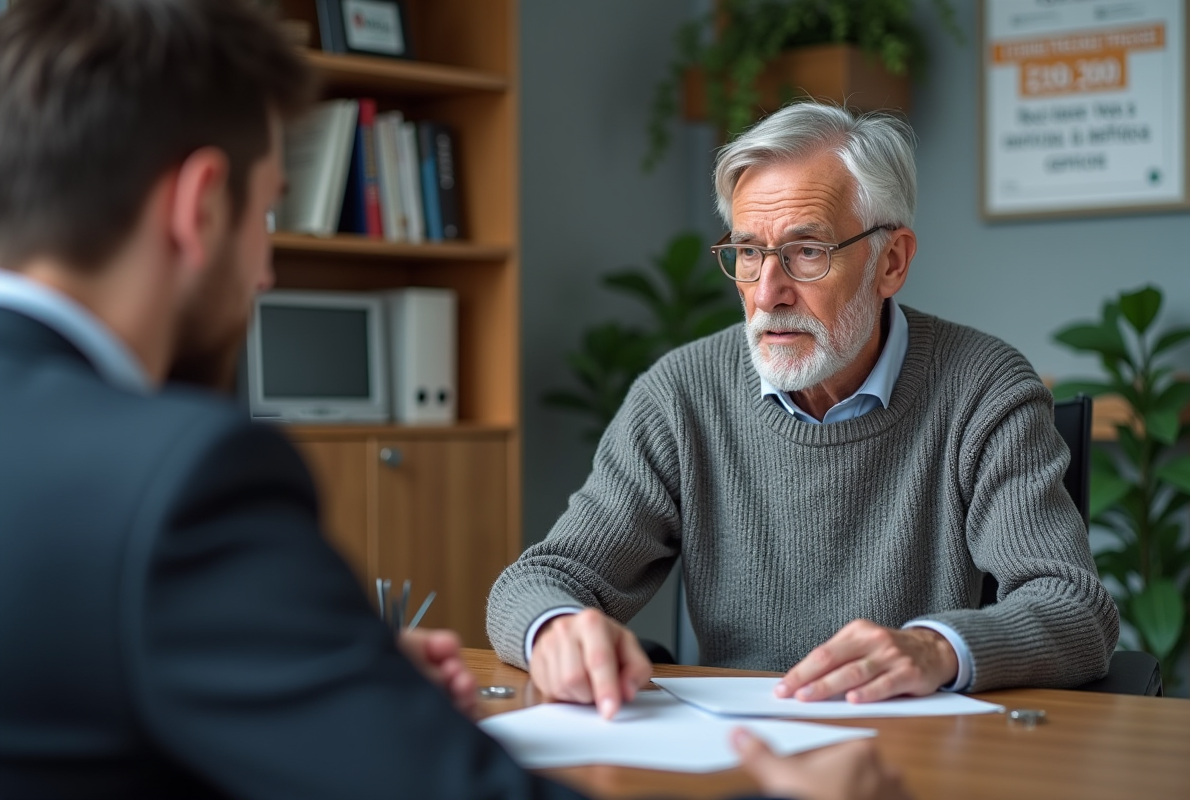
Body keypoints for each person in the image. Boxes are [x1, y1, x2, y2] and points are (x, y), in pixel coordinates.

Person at [0, 2, 910, 799]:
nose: (267, 268)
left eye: (806, 251)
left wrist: (316, 679)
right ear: (200, 208)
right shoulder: (183, 478)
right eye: (267, 213)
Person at [486, 101, 1119, 719]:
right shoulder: (681, 394)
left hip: (916, 757)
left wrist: (934, 649)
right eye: (748, 251)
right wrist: (556, 628)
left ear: (890, 261)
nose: (767, 292)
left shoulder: (984, 388)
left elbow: (1073, 607)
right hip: (736, 756)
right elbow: (538, 580)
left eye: (807, 251)